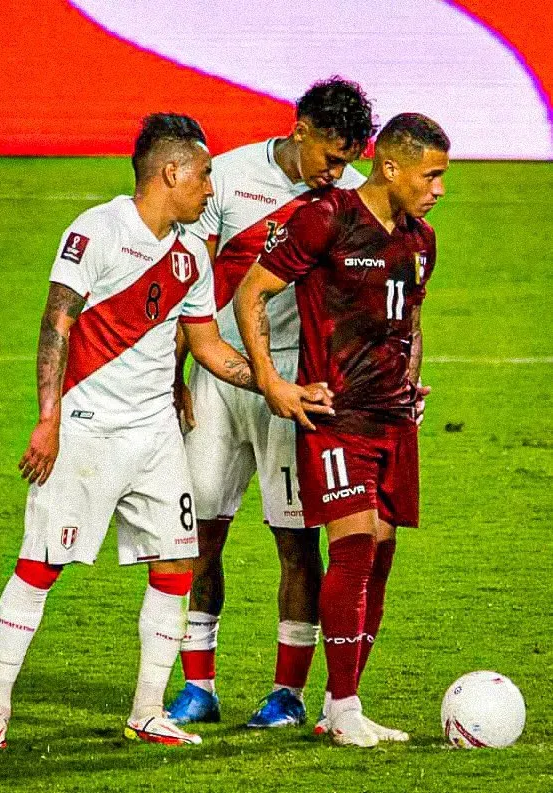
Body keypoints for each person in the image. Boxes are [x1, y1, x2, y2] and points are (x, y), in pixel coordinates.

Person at [0, 112, 335, 750]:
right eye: (205, 175)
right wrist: (49, 421)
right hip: (88, 431)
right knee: (40, 566)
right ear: (172, 172)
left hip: (156, 436)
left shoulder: (192, 252)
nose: (210, 188)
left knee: (175, 564)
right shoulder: (98, 231)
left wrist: (272, 384)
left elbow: (210, 347)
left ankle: (147, 712)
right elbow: (57, 324)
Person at [234, 113, 450, 746]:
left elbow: (409, 321)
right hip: (336, 417)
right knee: (353, 545)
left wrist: (413, 378)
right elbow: (253, 292)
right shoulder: (326, 217)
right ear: (391, 167)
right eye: (431, 175)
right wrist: (273, 382)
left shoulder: (422, 240)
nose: (438, 188)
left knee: (380, 555)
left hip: (393, 419)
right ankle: (345, 704)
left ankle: (339, 704)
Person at [168, 78, 376, 729]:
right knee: (201, 531)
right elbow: (192, 279)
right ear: (299, 129)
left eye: (347, 160)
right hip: (221, 377)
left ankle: (286, 693)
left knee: (296, 539)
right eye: (330, 156)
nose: (337, 172)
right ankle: (198, 683)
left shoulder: (350, 198)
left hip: (296, 386)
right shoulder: (226, 179)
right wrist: (173, 372)